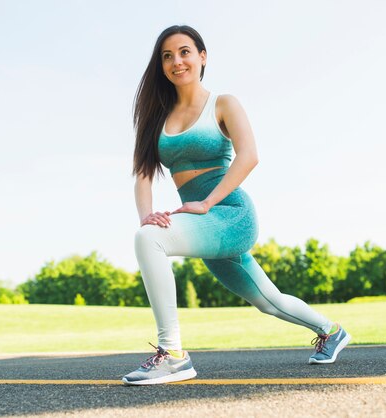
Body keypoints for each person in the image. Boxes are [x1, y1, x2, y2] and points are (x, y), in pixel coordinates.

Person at [122, 25, 351, 386]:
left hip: (229, 213)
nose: (176, 61)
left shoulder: (223, 103)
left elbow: (249, 156)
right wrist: (145, 214)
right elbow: (143, 174)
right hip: (201, 221)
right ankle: (332, 330)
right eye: (167, 56)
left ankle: (175, 356)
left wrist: (207, 202)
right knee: (267, 300)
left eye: (184, 52)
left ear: (202, 57)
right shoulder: (156, 119)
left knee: (149, 239)